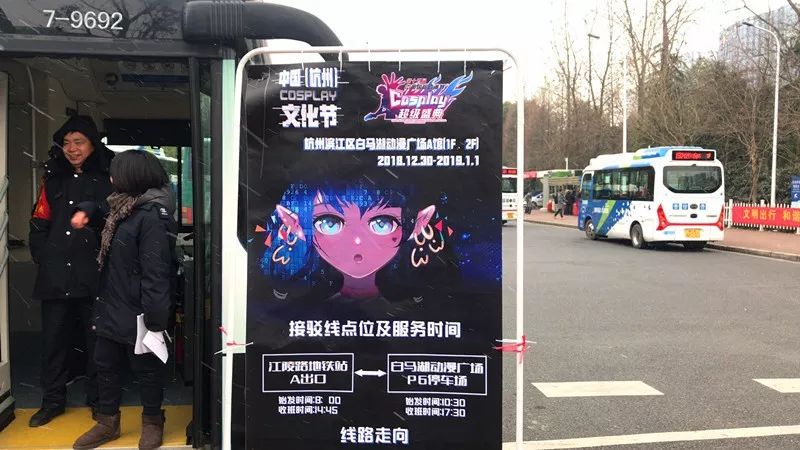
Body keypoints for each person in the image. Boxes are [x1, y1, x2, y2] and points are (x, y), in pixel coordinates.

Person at [71, 150, 177, 450]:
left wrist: (156, 318)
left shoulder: (151, 215)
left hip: (138, 308)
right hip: (111, 303)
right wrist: (86, 210)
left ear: (132, 176)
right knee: (105, 364)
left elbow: (156, 272)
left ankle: (153, 421)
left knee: (146, 369)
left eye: (116, 172)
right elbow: (102, 215)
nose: (111, 178)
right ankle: (108, 422)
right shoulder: (122, 207)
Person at [28, 115, 114, 427]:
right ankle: (52, 401)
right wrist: (44, 255)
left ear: (93, 144)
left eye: (79, 142)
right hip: (55, 276)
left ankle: (99, 401)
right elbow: (39, 223)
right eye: (66, 143)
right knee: (53, 343)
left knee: (97, 343)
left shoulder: (108, 178)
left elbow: (115, 220)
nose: (72, 149)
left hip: (94, 275)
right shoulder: (52, 179)